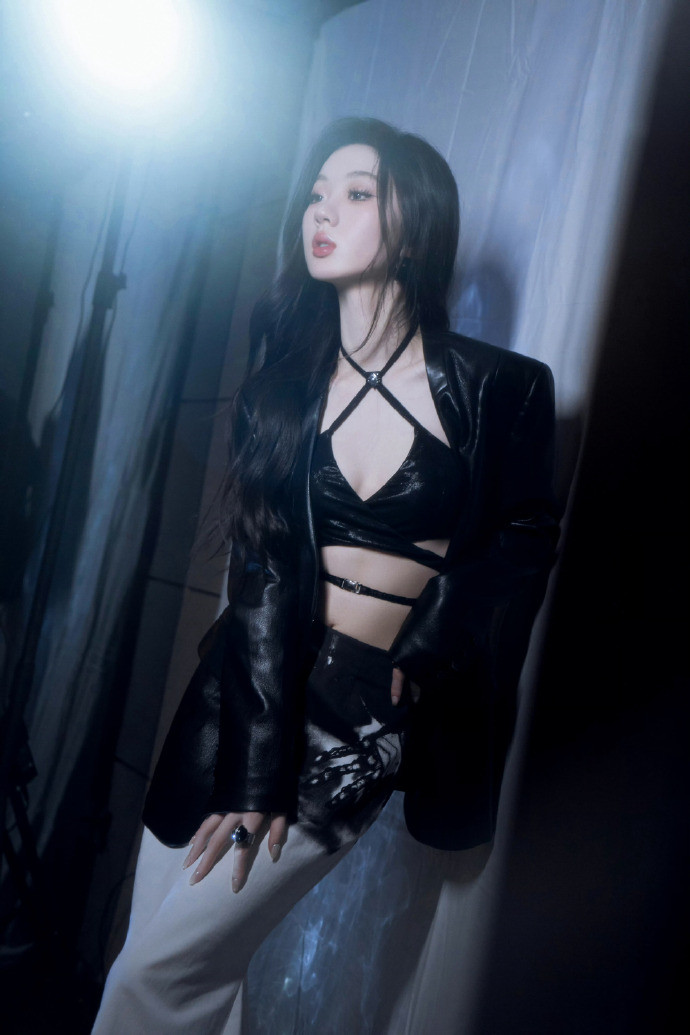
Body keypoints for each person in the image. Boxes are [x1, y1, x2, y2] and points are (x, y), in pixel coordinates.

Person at [92, 117, 559, 1032]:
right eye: (315, 194)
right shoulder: (281, 392)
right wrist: (254, 766)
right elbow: (263, 572)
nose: (322, 212)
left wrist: (440, 626)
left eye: (355, 193)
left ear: (415, 225)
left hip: (363, 708)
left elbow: (526, 530)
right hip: (246, 691)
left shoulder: (502, 386)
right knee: (172, 961)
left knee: (158, 976)